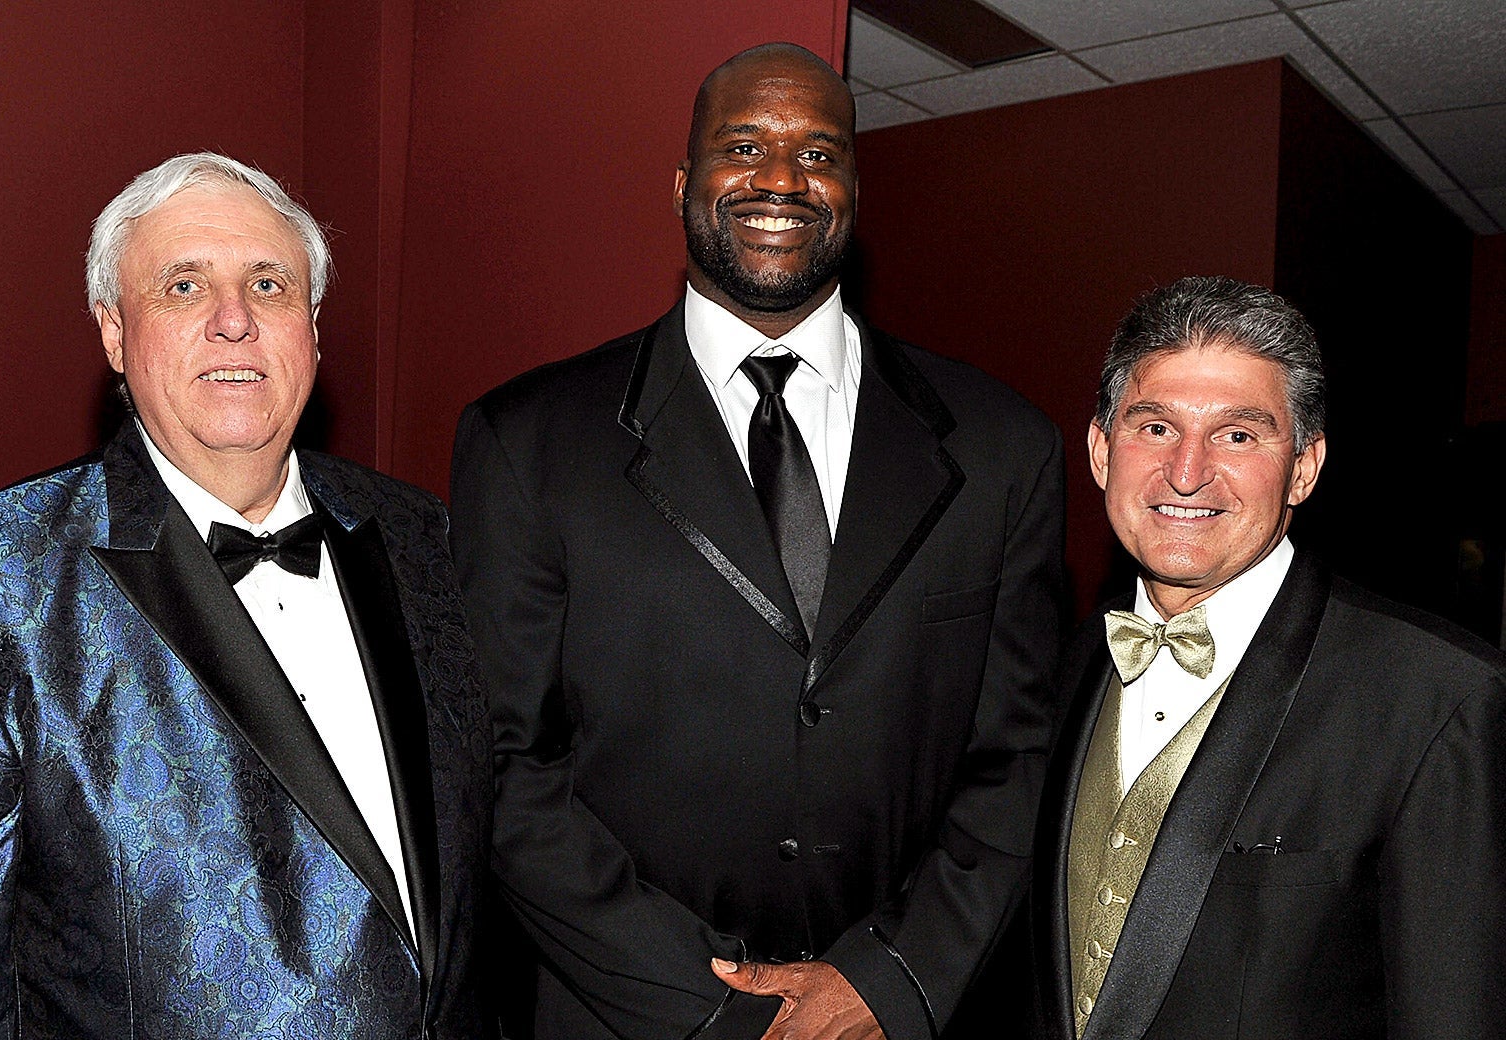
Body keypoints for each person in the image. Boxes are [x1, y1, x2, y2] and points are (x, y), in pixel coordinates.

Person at [451, 42, 1063, 1040]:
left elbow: (1019, 759)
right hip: (632, 1015)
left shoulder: (1003, 446)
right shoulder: (527, 442)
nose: (782, 178)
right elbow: (506, 767)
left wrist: (891, 980)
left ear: (855, 191)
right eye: (745, 145)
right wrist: (718, 1008)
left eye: (820, 154)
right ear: (686, 184)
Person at [0, 152, 491, 1039]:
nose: (234, 321)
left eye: (269, 285)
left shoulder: (421, 533)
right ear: (114, 333)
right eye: (184, 286)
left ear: (313, 327)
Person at [1031, 275, 1506, 1039]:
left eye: (1239, 434)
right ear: (1099, 449)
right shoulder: (1066, 661)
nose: (1187, 471)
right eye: (1154, 427)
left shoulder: (1440, 697)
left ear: (1305, 467)